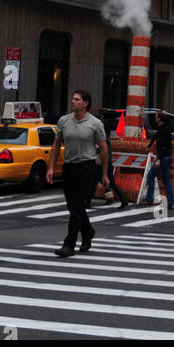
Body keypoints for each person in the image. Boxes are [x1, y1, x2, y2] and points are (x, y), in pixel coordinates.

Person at [47, 89, 108, 258]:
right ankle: (87, 232)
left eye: (77, 99)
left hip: (86, 167)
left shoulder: (95, 123)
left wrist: (104, 174)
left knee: (78, 205)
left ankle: (69, 245)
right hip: (69, 167)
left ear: (86, 103)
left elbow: (103, 149)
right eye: (73, 99)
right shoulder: (64, 121)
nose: (73, 101)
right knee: (73, 205)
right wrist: (51, 168)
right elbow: (56, 145)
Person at [144, 110, 174, 212]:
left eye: (156, 116)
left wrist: (159, 159)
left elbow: (164, 146)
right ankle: (170, 203)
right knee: (167, 180)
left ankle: (149, 199)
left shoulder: (163, 130)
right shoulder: (164, 128)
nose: (155, 118)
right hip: (168, 157)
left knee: (151, 175)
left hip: (163, 158)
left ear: (159, 118)